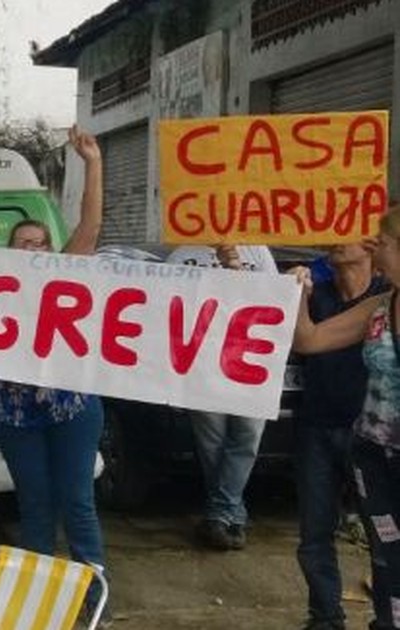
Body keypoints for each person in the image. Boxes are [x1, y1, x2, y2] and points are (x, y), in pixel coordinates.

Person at [0, 125, 108, 616]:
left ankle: (92, 600)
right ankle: (41, 602)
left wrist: (92, 163)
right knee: (34, 507)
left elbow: (90, 227)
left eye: (39, 241)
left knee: (77, 503)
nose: (32, 248)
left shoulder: (66, 272)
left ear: (52, 249)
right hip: (14, 413)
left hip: (72, 405)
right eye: (23, 242)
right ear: (10, 253)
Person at [292, 206, 400, 630]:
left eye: (384, 244)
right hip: (373, 456)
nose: (377, 250)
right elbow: (311, 338)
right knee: (385, 555)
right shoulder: (380, 305)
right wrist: (299, 296)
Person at [168, 244, 277, 551]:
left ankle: (220, 515)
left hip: (252, 362)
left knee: (247, 437)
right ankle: (231, 516)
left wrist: (235, 267)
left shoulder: (257, 251)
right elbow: (172, 306)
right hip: (202, 364)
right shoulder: (180, 255)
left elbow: (270, 301)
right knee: (212, 444)